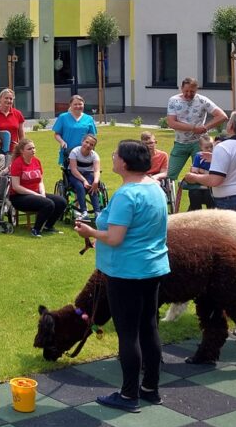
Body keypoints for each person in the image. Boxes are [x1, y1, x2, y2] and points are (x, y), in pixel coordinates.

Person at [72, 140, 170, 413]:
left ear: (125, 163)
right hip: (153, 268)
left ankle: (128, 395)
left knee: (128, 334)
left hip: (127, 272)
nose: (112, 157)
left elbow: (115, 238)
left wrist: (90, 233)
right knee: (148, 327)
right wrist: (100, 238)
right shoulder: (155, 187)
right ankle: (150, 388)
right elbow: (137, 230)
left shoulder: (127, 194)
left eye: (116, 154)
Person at [184, 110, 236, 225]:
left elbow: (215, 180)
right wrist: (216, 158)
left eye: (229, 120)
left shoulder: (223, 147)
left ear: (232, 126)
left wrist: (193, 177)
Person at [165, 78, 228, 180]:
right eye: (186, 91)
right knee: (170, 175)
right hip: (180, 143)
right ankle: (170, 190)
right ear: (181, 88)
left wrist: (205, 127)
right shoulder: (173, 100)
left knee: (201, 173)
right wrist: (193, 128)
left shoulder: (202, 100)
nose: (189, 94)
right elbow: (171, 122)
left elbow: (222, 116)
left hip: (199, 144)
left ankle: (197, 190)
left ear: (196, 89)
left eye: (192, 92)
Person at [8, 139, 68, 237]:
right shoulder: (17, 163)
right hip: (19, 197)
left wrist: (42, 193)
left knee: (61, 201)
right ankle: (36, 230)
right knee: (48, 204)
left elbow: (40, 181)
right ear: (22, 151)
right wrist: (35, 194)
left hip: (36, 194)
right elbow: (16, 186)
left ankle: (48, 226)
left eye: (34, 148)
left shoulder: (37, 161)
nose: (33, 150)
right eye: (29, 149)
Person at [52, 95, 98, 167]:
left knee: (85, 170)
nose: (78, 106)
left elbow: (92, 136)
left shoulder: (89, 119)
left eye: (80, 104)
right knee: (69, 172)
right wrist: (62, 142)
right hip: (68, 151)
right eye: (75, 104)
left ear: (83, 105)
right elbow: (57, 134)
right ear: (70, 105)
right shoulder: (63, 117)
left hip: (84, 152)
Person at [67, 133, 103, 217]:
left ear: (93, 147)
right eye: (86, 142)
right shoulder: (74, 152)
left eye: (91, 144)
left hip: (88, 174)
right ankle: (84, 211)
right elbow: (74, 170)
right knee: (80, 186)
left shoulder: (95, 155)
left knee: (92, 186)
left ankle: (97, 212)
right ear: (82, 141)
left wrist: (96, 182)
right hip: (75, 174)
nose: (88, 145)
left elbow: (97, 170)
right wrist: (84, 181)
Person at [179, 135, 216, 211]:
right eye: (206, 147)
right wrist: (203, 173)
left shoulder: (216, 157)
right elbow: (194, 171)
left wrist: (201, 171)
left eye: (211, 147)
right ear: (201, 147)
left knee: (209, 196)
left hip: (210, 186)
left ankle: (211, 215)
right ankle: (196, 214)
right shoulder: (198, 156)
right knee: (194, 193)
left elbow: (215, 174)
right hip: (199, 183)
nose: (209, 149)